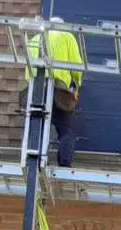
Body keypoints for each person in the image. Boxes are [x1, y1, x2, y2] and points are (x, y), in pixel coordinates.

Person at [20, 17, 84, 168]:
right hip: (57, 89)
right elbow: (76, 66)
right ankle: (65, 164)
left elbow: (27, 73)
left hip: (34, 88)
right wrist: (77, 84)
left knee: (36, 123)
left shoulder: (34, 39)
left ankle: (32, 159)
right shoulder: (67, 37)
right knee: (67, 127)